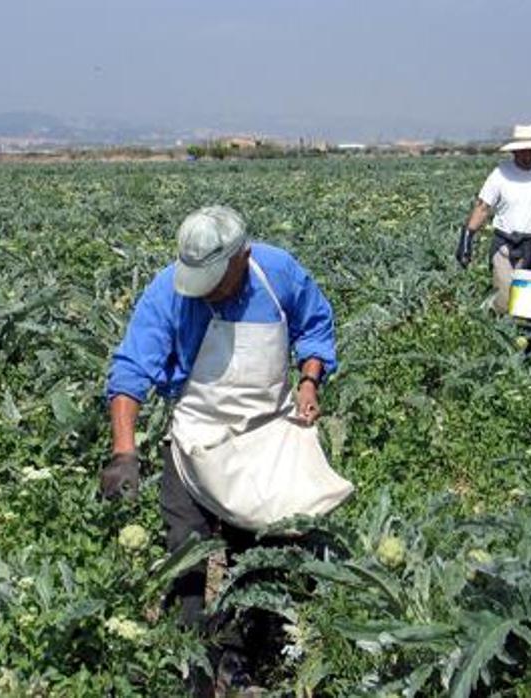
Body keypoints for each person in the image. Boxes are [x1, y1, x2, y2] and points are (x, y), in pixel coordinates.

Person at [101, 205, 353, 694]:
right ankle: (191, 667)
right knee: (185, 555)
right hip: (195, 439)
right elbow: (131, 370)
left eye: (216, 278)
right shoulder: (167, 291)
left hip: (267, 436)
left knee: (266, 554)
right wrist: (124, 451)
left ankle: (242, 656)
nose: (207, 290)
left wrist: (309, 381)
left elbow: (316, 326)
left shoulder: (277, 273)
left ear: (244, 256)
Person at [456, 124, 531, 313]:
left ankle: (530, 340)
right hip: (505, 245)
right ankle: (502, 335)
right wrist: (467, 237)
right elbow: (483, 207)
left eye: (529, 151)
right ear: (513, 152)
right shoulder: (500, 173)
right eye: (520, 151)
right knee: (504, 300)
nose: (524, 155)